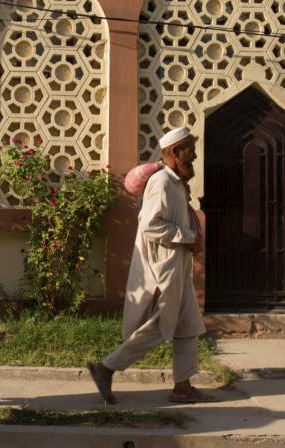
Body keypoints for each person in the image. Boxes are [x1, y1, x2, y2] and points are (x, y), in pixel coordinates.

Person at [87, 127, 207, 405]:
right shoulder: (162, 182)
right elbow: (150, 225)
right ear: (175, 152)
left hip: (179, 263)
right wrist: (187, 237)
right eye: (189, 149)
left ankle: (183, 387)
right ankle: (107, 368)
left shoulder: (176, 183)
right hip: (166, 266)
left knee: (188, 324)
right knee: (162, 326)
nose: (195, 154)